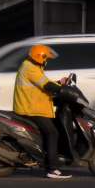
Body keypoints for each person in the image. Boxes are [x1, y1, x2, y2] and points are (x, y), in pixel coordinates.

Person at [13, 44, 69, 179]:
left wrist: (60, 83)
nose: (46, 61)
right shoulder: (30, 68)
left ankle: (46, 157)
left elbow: (43, 82)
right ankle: (52, 169)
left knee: (52, 129)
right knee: (52, 132)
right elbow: (46, 85)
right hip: (30, 109)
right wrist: (61, 89)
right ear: (40, 57)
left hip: (33, 107)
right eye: (46, 58)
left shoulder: (32, 67)